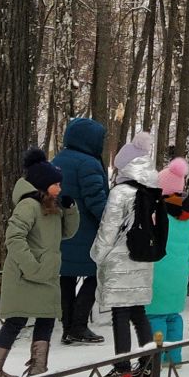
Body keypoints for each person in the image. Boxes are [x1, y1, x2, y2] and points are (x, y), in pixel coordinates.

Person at [0, 148, 78, 377]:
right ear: (43, 185)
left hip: (45, 274)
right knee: (16, 321)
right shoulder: (28, 206)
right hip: (26, 275)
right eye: (56, 184)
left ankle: (39, 369)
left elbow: (67, 233)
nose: (60, 187)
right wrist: (32, 266)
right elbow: (13, 238)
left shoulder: (52, 206)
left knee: (45, 319)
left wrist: (70, 209)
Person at [92, 130, 162, 377]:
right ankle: (148, 365)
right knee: (138, 313)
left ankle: (122, 369)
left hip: (121, 261)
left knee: (120, 314)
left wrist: (97, 256)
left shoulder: (120, 192)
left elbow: (108, 230)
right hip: (144, 260)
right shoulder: (153, 189)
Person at [52, 116, 111, 345]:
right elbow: (96, 199)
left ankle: (68, 326)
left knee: (66, 278)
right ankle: (79, 325)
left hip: (62, 230)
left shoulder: (58, 159)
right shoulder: (88, 163)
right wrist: (112, 219)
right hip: (85, 232)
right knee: (95, 274)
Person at [149, 156, 189, 365]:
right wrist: (186, 269)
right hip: (179, 273)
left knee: (155, 316)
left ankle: (155, 358)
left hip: (157, 272)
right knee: (174, 316)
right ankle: (174, 356)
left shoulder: (156, 212)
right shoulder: (187, 213)